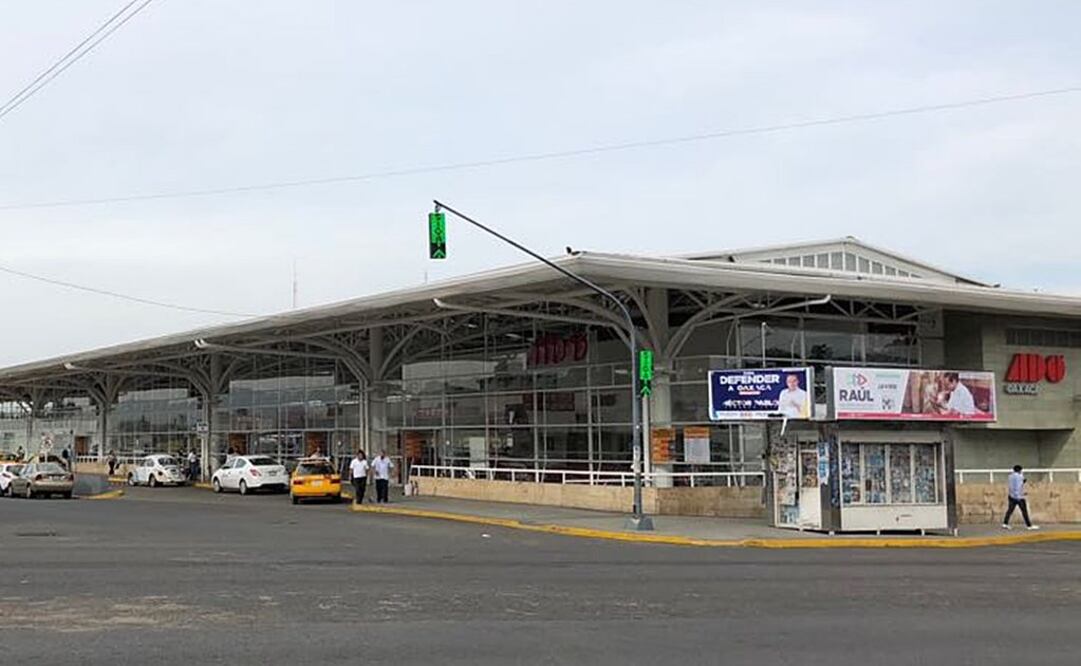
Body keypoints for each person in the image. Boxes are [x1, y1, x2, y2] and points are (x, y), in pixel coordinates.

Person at [1002, 465, 1039, 530]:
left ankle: (1005, 523)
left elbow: (1013, 485)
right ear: (1019, 470)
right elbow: (1018, 486)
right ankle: (1029, 525)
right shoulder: (1020, 476)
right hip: (1019, 497)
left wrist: (1022, 482)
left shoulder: (1010, 476)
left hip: (1011, 496)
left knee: (1010, 510)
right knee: (1024, 511)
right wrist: (1021, 494)